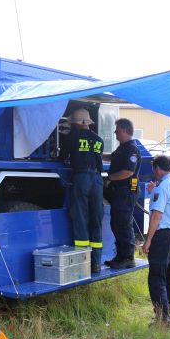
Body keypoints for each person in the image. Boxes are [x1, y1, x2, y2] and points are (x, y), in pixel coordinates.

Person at [142, 155, 170, 326]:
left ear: (158, 169)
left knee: (157, 277)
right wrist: (154, 190)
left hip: (164, 236)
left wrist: (148, 241)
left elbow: (156, 215)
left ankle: (162, 319)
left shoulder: (162, 188)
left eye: (154, 170)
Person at [63, 108, 104, 273]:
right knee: (96, 219)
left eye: (74, 123)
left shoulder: (72, 137)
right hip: (97, 180)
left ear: (80, 123)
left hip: (82, 178)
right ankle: (96, 263)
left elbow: (61, 156)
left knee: (80, 218)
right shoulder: (99, 140)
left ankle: (83, 262)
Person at [103, 118, 141, 269]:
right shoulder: (122, 148)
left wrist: (110, 178)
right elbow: (111, 157)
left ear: (125, 130)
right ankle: (120, 256)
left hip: (126, 193)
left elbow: (128, 172)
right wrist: (96, 152)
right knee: (116, 223)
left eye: (117, 129)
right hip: (119, 193)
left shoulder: (132, 150)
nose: (115, 132)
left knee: (123, 224)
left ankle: (128, 257)